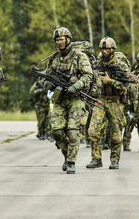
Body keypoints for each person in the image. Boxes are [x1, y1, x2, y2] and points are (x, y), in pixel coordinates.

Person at [44, 27, 93, 174]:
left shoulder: (79, 56)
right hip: (59, 98)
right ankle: (67, 155)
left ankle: (71, 162)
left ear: (68, 39)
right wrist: (49, 84)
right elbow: (46, 76)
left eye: (61, 39)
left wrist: (76, 85)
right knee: (56, 131)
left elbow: (88, 76)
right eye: (57, 40)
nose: (59, 42)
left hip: (76, 98)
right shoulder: (53, 58)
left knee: (72, 132)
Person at [86, 37, 131, 170]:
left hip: (115, 101)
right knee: (93, 131)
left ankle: (115, 160)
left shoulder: (120, 65)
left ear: (112, 50)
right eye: (102, 49)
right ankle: (96, 159)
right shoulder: (97, 63)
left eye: (106, 49)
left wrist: (110, 81)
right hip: (100, 99)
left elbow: (125, 87)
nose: (104, 51)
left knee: (115, 135)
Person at [123, 52, 139, 152]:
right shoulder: (134, 71)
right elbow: (129, 86)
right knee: (129, 124)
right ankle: (126, 144)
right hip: (132, 101)